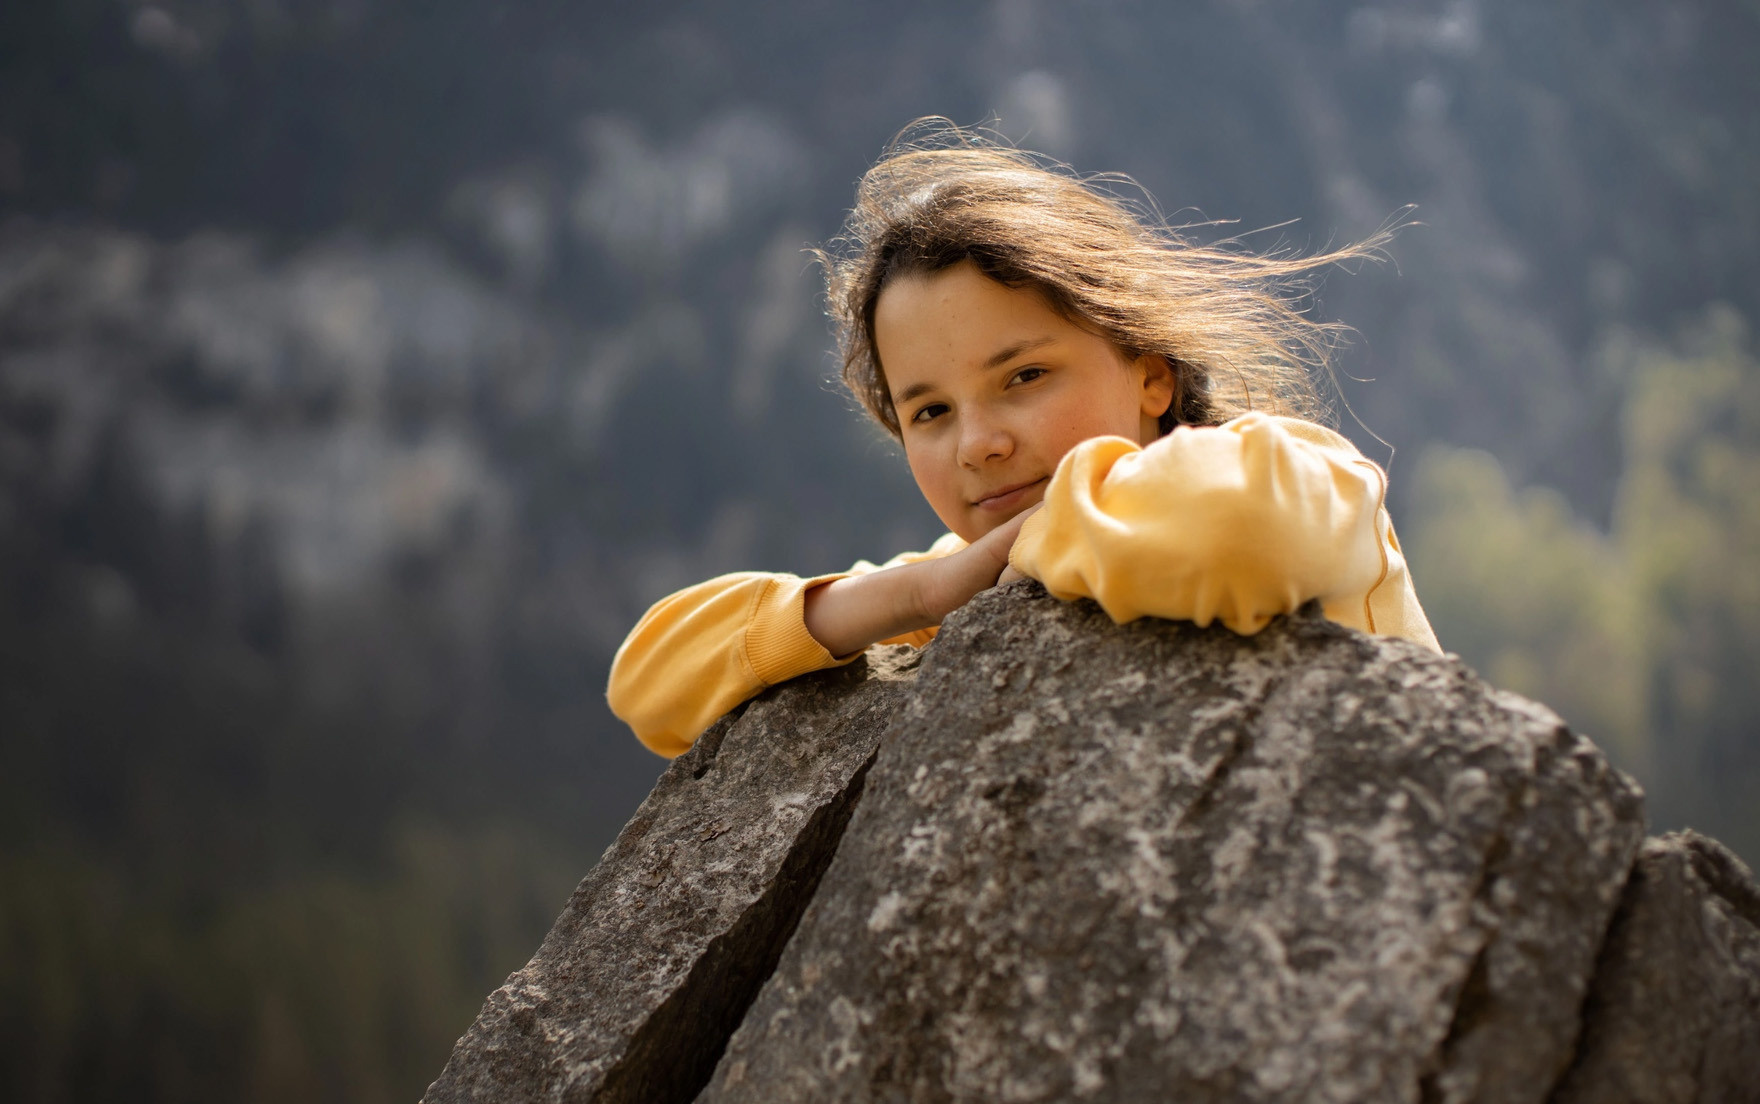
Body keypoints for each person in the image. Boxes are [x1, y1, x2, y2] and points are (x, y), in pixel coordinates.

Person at [608, 129, 1441, 760]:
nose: (978, 445)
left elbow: (1245, 532)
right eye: (928, 413)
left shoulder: (1291, 471)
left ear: (1150, 375)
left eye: (1024, 377)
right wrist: (918, 595)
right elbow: (650, 678)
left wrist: (1000, 558)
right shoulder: (967, 586)